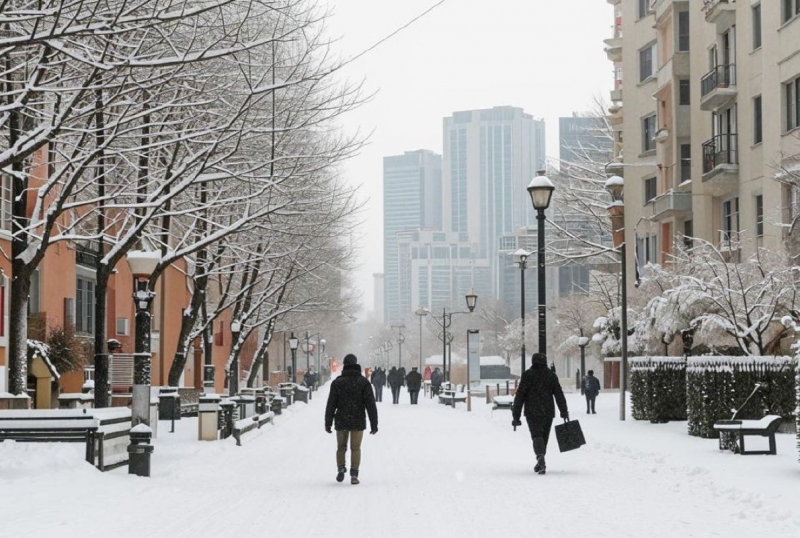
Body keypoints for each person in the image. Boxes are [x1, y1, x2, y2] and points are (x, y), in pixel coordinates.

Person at [324, 354, 378, 485]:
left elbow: (331, 403)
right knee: (356, 448)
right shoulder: (363, 382)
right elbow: (370, 404)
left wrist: (328, 422)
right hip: (358, 420)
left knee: (341, 447)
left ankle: (341, 468)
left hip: (341, 419)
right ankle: (354, 474)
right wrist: (374, 424)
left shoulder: (337, 382)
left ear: (345, 364)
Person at [511, 352, 568, 475]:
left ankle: (540, 458)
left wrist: (516, 415)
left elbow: (520, 396)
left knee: (536, 435)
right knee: (544, 437)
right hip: (548, 411)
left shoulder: (527, 375)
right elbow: (559, 394)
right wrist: (564, 411)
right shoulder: (551, 376)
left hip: (532, 411)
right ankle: (540, 459)